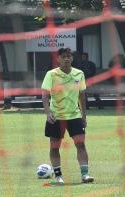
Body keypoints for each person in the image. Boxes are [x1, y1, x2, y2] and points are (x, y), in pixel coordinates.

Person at [41, 47, 94, 184]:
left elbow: (82, 94)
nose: (66, 59)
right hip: (56, 116)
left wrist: (84, 115)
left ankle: (85, 175)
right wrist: (48, 112)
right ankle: (58, 176)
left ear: (72, 58)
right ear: (58, 59)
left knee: (81, 144)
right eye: (63, 56)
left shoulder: (79, 74)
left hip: (74, 116)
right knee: (54, 146)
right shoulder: (51, 74)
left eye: (68, 56)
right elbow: (45, 94)